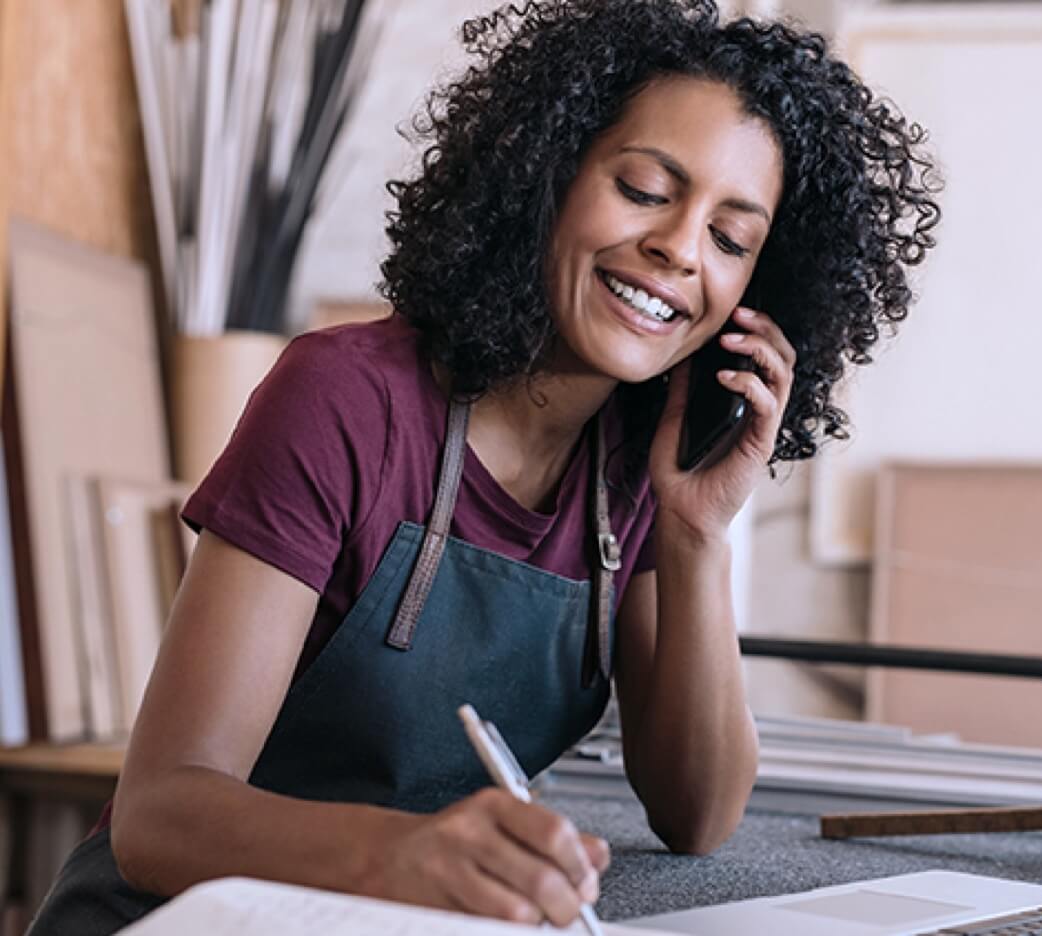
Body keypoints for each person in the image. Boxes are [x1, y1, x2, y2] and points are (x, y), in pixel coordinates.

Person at [28, 0, 939, 932]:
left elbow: (697, 813)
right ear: (546, 173)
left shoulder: (631, 462)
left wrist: (698, 534)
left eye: (731, 238)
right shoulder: (346, 398)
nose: (679, 248)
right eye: (644, 188)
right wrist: (402, 854)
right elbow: (158, 815)